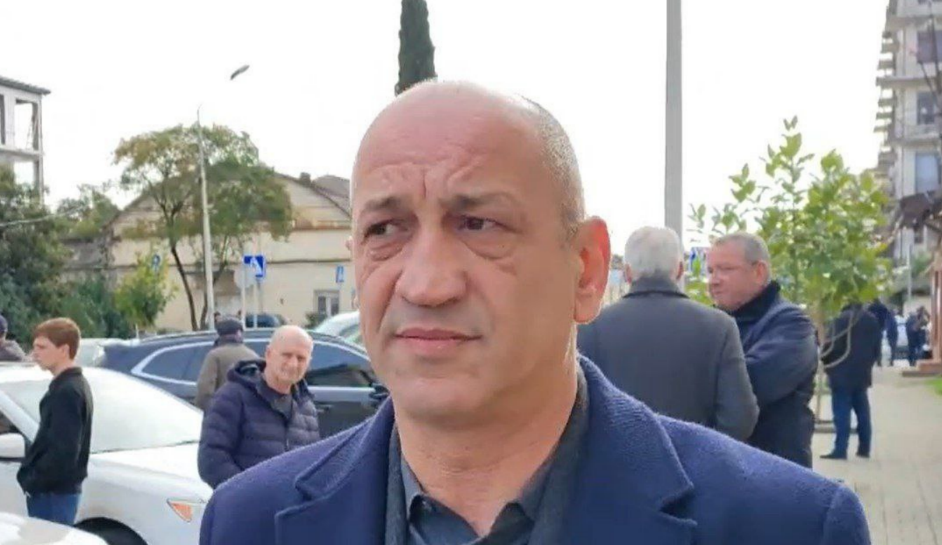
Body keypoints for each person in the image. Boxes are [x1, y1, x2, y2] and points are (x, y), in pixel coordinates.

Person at [200, 82, 868, 544]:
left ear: (587, 269)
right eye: (385, 230)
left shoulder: (786, 526)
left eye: (479, 224)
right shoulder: (248, 523)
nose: (426, 283)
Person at [577, 226, 758, 440]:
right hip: (694, 460)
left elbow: (577, 416)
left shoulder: (591, 327)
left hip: (615, 459)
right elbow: (739, 418)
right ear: (680, 270)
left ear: (627, 273)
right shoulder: (719, 327)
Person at [708, 232, 819, 468]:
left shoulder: (791, 324)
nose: (713, 281)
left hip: (776, 472)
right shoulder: (713, 323)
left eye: (725, 269)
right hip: (729, 469)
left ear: (759, 272)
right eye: (710, 271)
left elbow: (745, 386)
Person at [197, 325, 320, 489]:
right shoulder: (233, 397)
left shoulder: (307, 408)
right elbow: (211, 460)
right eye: (286, 355)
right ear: (268, 354)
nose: (293, 364)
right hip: (244, 503)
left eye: (301, 358)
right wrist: (252, 494)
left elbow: (312, 466)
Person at [17, 318, 93, 525]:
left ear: (64, 350)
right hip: (54, 493)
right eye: (34, 347)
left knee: (48, 538)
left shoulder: (68, 391)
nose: (35, 354)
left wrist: (34, 480)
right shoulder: (67, 385)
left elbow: (64, 451)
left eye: (42, 347)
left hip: (53, 494)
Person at [820, 303, 881, 460]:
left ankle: (840, 449)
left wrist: (827, 364)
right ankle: (864, 448)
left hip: (841, 373)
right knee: (863, 412)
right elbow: (877, 348)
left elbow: (830, 346)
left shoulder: (840, 320)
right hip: (862, 373)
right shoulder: (872, 320)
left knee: (841, 413)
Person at [194, 317, 259, 409]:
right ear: (238, 333)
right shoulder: (253, 355)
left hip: (223, 409)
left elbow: (205, 389)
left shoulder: (215, 355)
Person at [867, 298, 891, 367]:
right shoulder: (883, 307)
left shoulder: (871, 307)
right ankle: (879, 361)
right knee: (878, 345)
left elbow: (867, 315)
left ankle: (872, 360)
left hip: (872, 328)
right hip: (880, 328)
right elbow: (887, 315)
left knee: (871, 345)